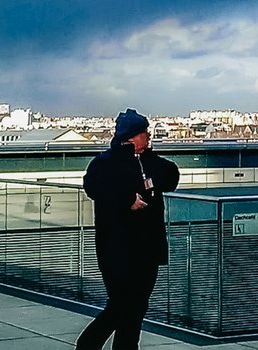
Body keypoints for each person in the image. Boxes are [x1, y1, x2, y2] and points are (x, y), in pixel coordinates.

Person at [76, 109, 179, 350]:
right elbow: (93, 188)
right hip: (117, 249)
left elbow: (171, 175)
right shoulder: (104, 164)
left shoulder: (150, 162)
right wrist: (126, 200)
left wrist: (149, 182)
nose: (149, 136)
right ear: (133, 136)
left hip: (147, 249)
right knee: (122, 305)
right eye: (145, 133)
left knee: (136, 309)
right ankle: (88, 344)